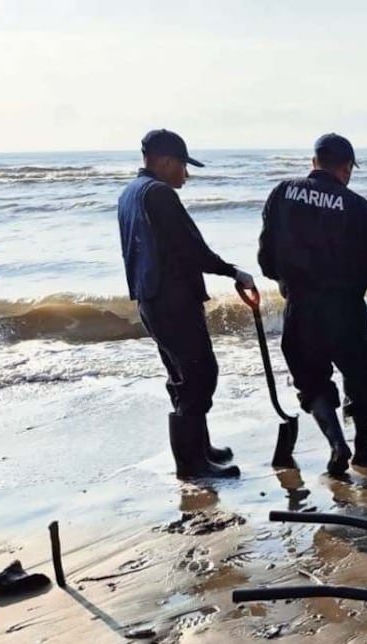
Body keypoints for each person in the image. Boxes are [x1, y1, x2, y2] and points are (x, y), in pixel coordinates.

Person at [117, 129, 253, 480]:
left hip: (151, 299)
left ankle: (199, 450)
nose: (186, 175)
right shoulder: (159, 194)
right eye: (182, 166)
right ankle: (192, 465)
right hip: (172, 300)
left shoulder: (130, 194)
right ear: (164, 162)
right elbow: (190, 248)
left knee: (181, 376)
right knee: (200, 374)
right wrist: (232, 271)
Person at [258, 133, 367, 476]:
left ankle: (335, 444)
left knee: (312, 381)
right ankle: (361, 449)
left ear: (314, 162)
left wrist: (284, 280)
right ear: (346, 168)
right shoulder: (358, 207)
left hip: (301, 306)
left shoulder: (282, 193)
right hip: (346, 307)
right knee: (360, 378)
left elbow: (266, 257)